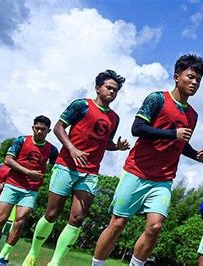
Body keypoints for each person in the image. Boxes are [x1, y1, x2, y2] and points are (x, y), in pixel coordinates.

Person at [91, 54, 203, 266]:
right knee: (117, 223)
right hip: (136, 171)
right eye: (190, 77)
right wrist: (173, 134)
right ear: (176, 76)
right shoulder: (157, 99)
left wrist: (195, 155)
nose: (194, 83)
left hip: (163, 179)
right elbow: (137, 128)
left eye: (198, 81)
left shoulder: (193, 115)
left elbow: (180, 143)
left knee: (155, 226)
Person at [22, 70, 130, 266]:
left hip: (90, 173)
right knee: (52, 214)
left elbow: (105, 142)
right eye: (109, 87)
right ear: (98, 87)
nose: (112, 92)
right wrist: (71, 149)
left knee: (78, 218)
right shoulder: (81, 105)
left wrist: (117, 147)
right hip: (66, 166)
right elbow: (58, 127)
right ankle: (33, 253)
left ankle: (54, 262)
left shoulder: (114, 118)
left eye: (115, 90)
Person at [0, 115, 58, 266]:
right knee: (0, 220)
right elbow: (8, 160)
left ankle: (2, 256)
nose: (39, 131)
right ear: (32, 128)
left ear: (48, 131)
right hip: (12, 185)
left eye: (43, 129)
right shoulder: (21, 141)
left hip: (31, 190)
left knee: (19, 223)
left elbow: (55, 166)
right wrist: (28, 172)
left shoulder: (51, 149)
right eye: (36, 128)